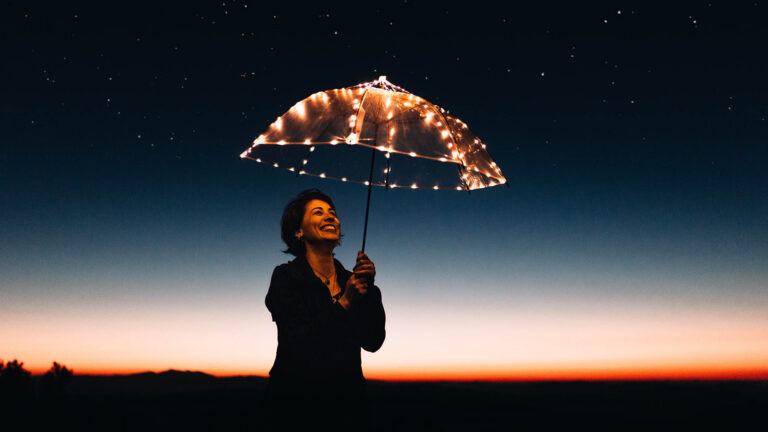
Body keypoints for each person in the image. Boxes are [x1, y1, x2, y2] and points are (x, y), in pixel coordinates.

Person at [264, 188, 386, 431]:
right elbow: (299, 341)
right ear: (298, 231)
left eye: (332, 212)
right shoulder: (286, 277)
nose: (331, 217)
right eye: (318, 213)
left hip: (348, 409)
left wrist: (370, 290)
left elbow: (373, 341)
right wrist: (345, 303)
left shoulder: (352, 281)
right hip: (295, 409)